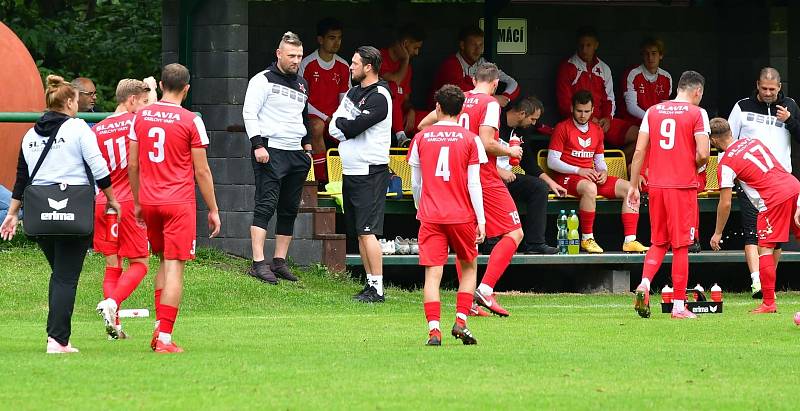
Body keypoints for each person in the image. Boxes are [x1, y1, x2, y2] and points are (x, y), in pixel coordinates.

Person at [0, 75, 122, 353]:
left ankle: (54, 336)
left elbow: (22, 177)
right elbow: (98, 166)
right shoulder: (78, 128)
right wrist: (112, 199)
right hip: (74, 209)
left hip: (39, 214)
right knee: (66, 277)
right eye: (77, 100)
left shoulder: (30, 134)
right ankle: (58, 340)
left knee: (60, 275)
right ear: (68, 101)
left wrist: (12, 213)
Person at [128, 63, 221, 353]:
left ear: (160, 83)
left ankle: (159, 328)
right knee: (174, 268)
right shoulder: (191, 120)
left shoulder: (140, 116)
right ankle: (165, 338)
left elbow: (133, 164)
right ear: (187, 89)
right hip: (178, 203)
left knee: (161, 262)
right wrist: (213, 209)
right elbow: (202, 171)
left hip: (150, 201)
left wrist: (138, 201)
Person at [420, 63, 523, 317]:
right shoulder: (490, 104)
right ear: (496, 83)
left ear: (473, 79)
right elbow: (486, 142)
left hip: (455, 177)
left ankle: (470, 303)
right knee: (515, 232)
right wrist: (509, 150)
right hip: (482, 175)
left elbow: (424, 126)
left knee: (466, 242)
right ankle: (485, 289)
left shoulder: (459, 99)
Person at [628, 70, 710, 320]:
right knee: (682, 246)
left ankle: (644, 283)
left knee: (658, 242)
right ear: (697, 92)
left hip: (656, 186)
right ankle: (677, 306)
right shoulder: (698, 113)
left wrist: (633, 185)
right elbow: (704, 153)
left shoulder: (653, 111)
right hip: (682, 186)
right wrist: (694, 165)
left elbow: (640, 150)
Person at [409, 84, 487, 345]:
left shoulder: (420, 139)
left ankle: (434, 330)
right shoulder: (471, 139)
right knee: (468, 268)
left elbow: (416, 184)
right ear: (461, 109)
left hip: (431, 215)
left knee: (433, 274)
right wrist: (482, 219)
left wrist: (421, 208)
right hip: (462, 215)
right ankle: (461, 321)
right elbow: (474, 183)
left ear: (437, 107)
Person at [708, 118, 800, 313]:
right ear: (730, 132)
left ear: (713, 141)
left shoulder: (725, 163)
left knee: (764, 249)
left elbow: (725, 202)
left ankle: (768, 303)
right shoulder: (752, 141)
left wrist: (717, 233)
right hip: (794, 187)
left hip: (773, 199)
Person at [243, 32, 313, 284]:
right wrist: (257, 145)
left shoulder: (303, 83)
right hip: (270, 151)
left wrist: (307, 147)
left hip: (296, 152)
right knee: (265, 205)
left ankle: (279, 262)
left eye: (300, 56)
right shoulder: (262, 80)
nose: (296, 60)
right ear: (279, 54)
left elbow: (303, 116)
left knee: (289, 209)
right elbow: (249, 113)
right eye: (292, 55)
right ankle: (258, 263)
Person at [727, 67, 800, 298]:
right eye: (764, 88)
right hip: (751, 182)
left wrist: (790, 121)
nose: (768, 93)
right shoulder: (742, 106)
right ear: (757, 85)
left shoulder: (790, 105)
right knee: (753, 233)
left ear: (779, 87)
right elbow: (729, 140)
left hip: (781, 182)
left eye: (772, 89)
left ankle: (769, 285)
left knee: (775, 239)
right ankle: (757, 282)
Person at [547, 90, 648, 254]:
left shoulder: (597, 130)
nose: (582, 115)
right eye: (579, 111)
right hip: (567, 177)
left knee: (630, 188)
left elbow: (599, 160)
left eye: (587, 111)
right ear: (572, 108)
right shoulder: (562, 128)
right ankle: (587, 238)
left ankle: (630, 240)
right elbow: (552, 161)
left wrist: (603, 172)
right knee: (590, 188)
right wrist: (579, 170)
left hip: (590, 176)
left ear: (593, 110)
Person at [329, 46, 392, 303]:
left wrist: (346, 126)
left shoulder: (380, 96)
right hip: (350, 171)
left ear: (368, 67)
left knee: (368, 231)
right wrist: (345, 126)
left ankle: (377, 288)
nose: (351, 67)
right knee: (359, 231)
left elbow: (354, 127)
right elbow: (335, 124)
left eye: (355, 63)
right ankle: (369, 284)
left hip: (371, 172)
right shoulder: (354, 92)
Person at [93, 79, 152, 340]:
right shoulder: (136, 124)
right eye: (141, 102)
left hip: (102, 202)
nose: (142, 108)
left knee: (112, 264)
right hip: (129, 202)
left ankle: (114, 326)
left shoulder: (98, 128)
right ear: (131, 100)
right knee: (140, 263)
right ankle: (113, 301)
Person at [556, 27, 638, 159]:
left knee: (640, 136)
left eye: (588, 45)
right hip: (578, 120)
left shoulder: (604, 68)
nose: (584, 49)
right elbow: (564, 104)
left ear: (596, 45)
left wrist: (607, 119)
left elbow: (609, 99)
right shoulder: (567, 67)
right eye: (581, 45)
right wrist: (589, 118)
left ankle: (613, 167)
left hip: (602, 121)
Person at [500, 96, 566, 254]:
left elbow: (529, 163)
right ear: (522, 113)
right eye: (533, 119)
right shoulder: (494, 123)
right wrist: (497, 172)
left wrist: (551, 183)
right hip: (487, 177)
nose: (534, 123)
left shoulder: (521, 131)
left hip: (507, 178)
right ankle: (493, 245)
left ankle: (535, 244)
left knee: (538, 187)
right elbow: (478, 153)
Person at [299, 18, 350, 186]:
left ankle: (345, 178)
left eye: (339, 38)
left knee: (352, 128)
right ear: (320, 40)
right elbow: (301, 99)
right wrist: (326, 117)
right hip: (314, 116)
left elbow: (345, 99)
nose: (336, 42)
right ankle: (321, 180)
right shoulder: (307, 64)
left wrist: (338, 118)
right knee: (317, 126)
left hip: (335, 117)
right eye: (331, 38)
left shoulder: (343, 66)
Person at [430, 25, 519, 109]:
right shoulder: (450, 64)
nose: (478, 50)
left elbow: (513, 83)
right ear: (462, 45)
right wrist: (492, 99)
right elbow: (459, 94)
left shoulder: (483, 64)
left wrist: (505, 97)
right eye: (473, 45)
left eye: (480, 45)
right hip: (441, 117)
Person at [379, 24, 425, 147]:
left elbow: (405, 99)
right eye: (415, 48)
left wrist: (411, 110)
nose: (417, 52)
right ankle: (401, 137)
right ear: (405, 44)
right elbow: (395, 82)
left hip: (399, 115)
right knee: (392, 88)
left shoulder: (407, 68)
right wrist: (405, 59)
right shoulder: (378, 57)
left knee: (429, 119)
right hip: (378, 114)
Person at [619, 38, 673, 122]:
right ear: (642, 56)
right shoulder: (632, 74)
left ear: (661, 55)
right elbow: (631, 107)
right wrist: (651, 119)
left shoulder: (666, 77)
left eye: (654, 53)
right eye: (646, 54)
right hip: (634, 122)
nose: (650, 57)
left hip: (656, 121)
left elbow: (664, 107)